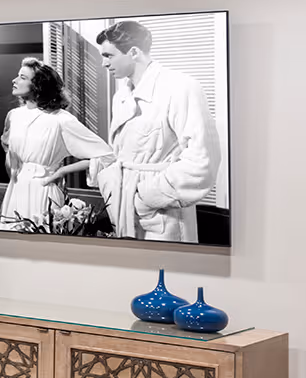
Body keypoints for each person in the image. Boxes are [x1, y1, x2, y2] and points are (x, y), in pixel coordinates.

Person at [95, 19, 221, 242]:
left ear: (133, 52)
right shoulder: (121, 96)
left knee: (164, 273)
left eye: (109, 56)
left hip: (162, 213)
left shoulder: (180, 87)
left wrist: (145, 198)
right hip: (123, 205)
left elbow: (202, 162)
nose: (104, 63)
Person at [0, 57, 113, 232]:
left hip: (44, 188)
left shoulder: (60, 120)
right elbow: (10, 152)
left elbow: (106, 155)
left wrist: (61, 171)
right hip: (16, 189)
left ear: (38, 85)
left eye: (22, 77)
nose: (14, 81)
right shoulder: (14, 115)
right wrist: (12, 162)